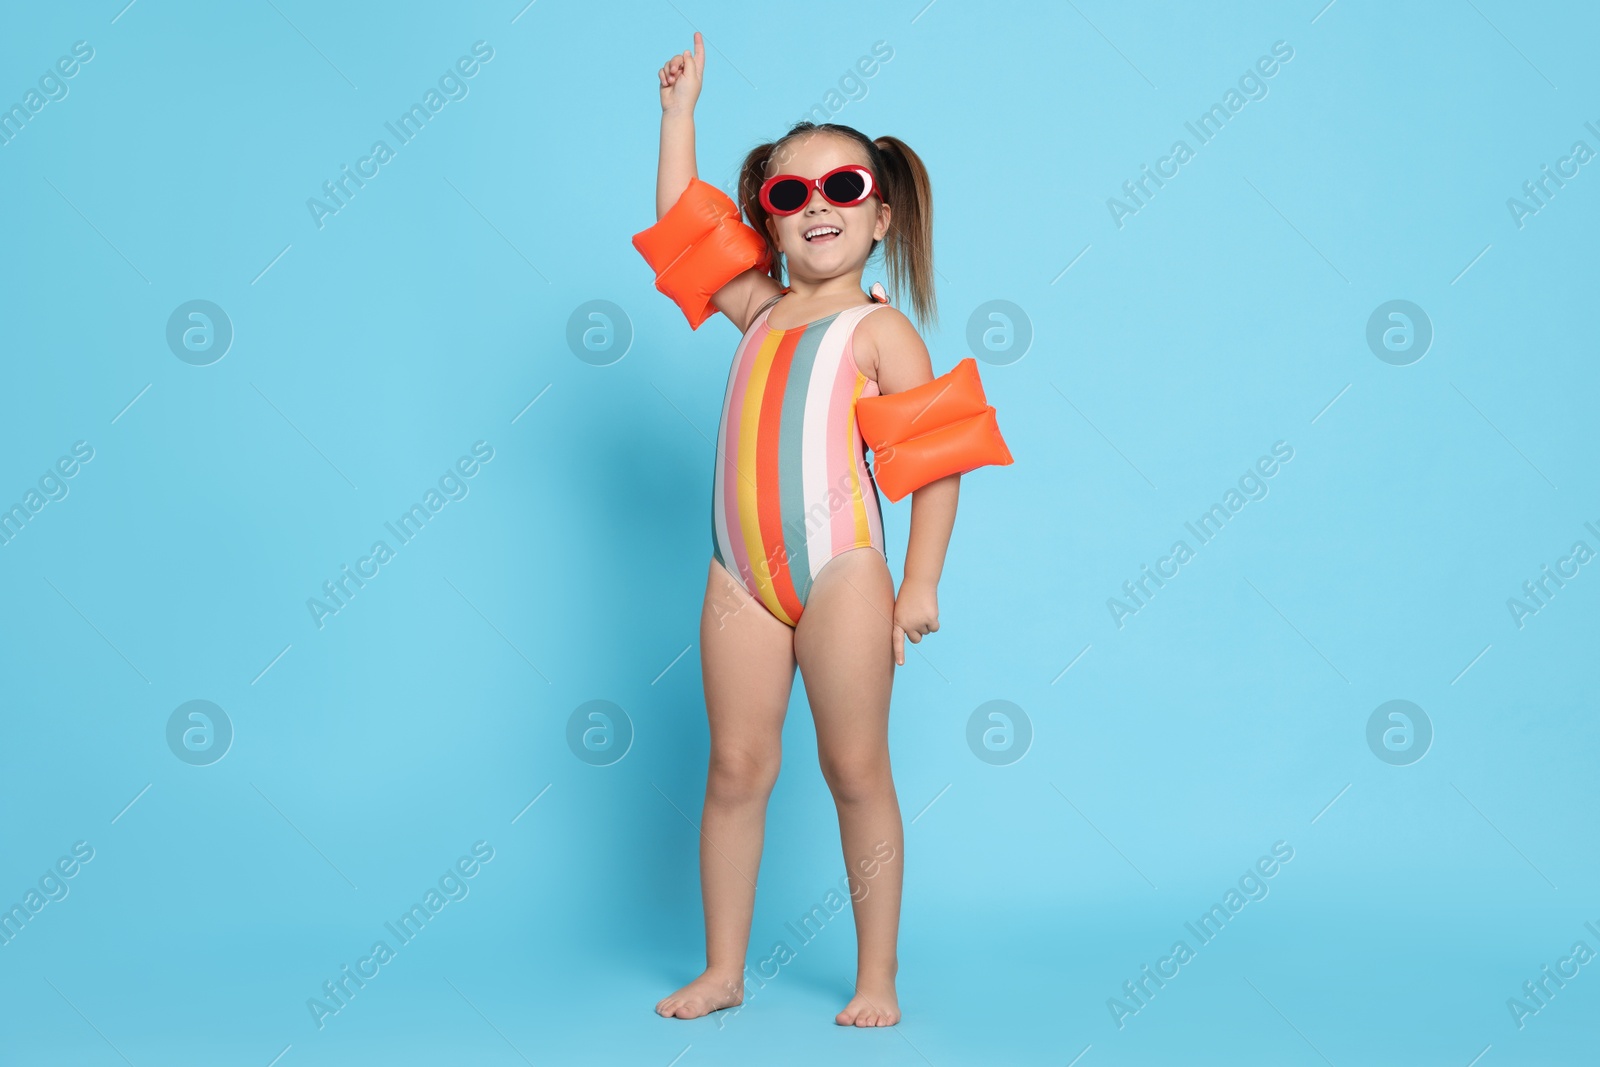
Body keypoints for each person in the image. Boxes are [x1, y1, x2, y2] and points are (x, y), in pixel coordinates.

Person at [639, 31, 976, 1029]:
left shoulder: (880, 329)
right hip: (739, 575)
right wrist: (677, 120)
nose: (814, 205)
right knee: (736, 766)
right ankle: (724, 966)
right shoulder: (756, 310)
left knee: (853, 767)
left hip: (842, 574)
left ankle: (877, 975)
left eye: (839, 186)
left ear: (878, 213)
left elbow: (937, 461)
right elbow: (678, 222)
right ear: (768, 223)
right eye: (789, 195)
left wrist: (918, 586)